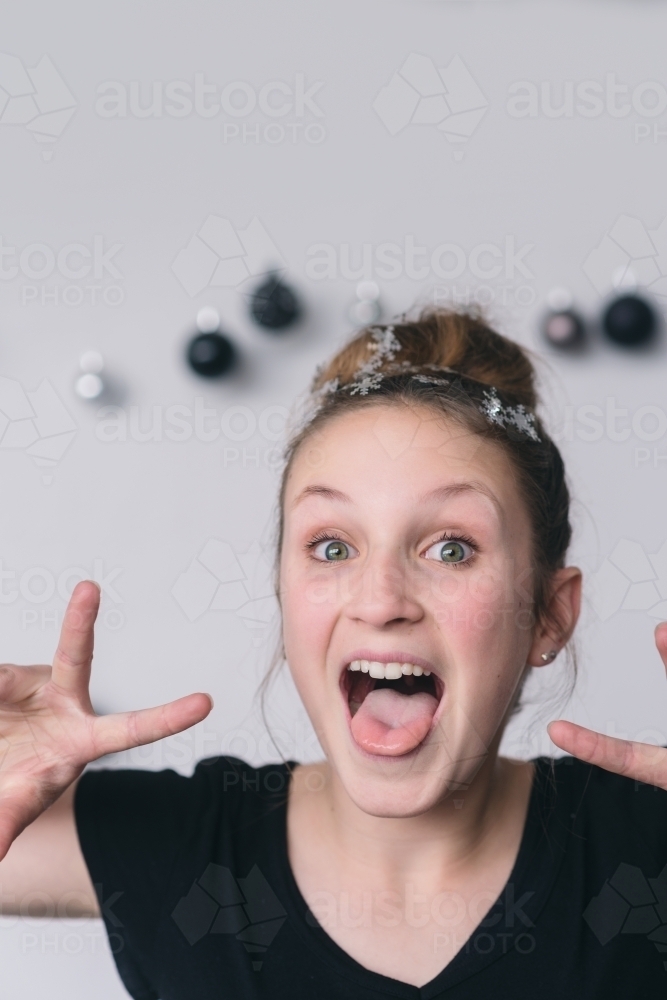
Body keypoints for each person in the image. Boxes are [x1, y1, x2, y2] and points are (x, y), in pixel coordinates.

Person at [0, 309, 666, 999]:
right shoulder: (183, 850)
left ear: (548, 615)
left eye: (450, 548)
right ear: (284, 597)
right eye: (332, 547)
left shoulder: (648, 850)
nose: (380, 600)